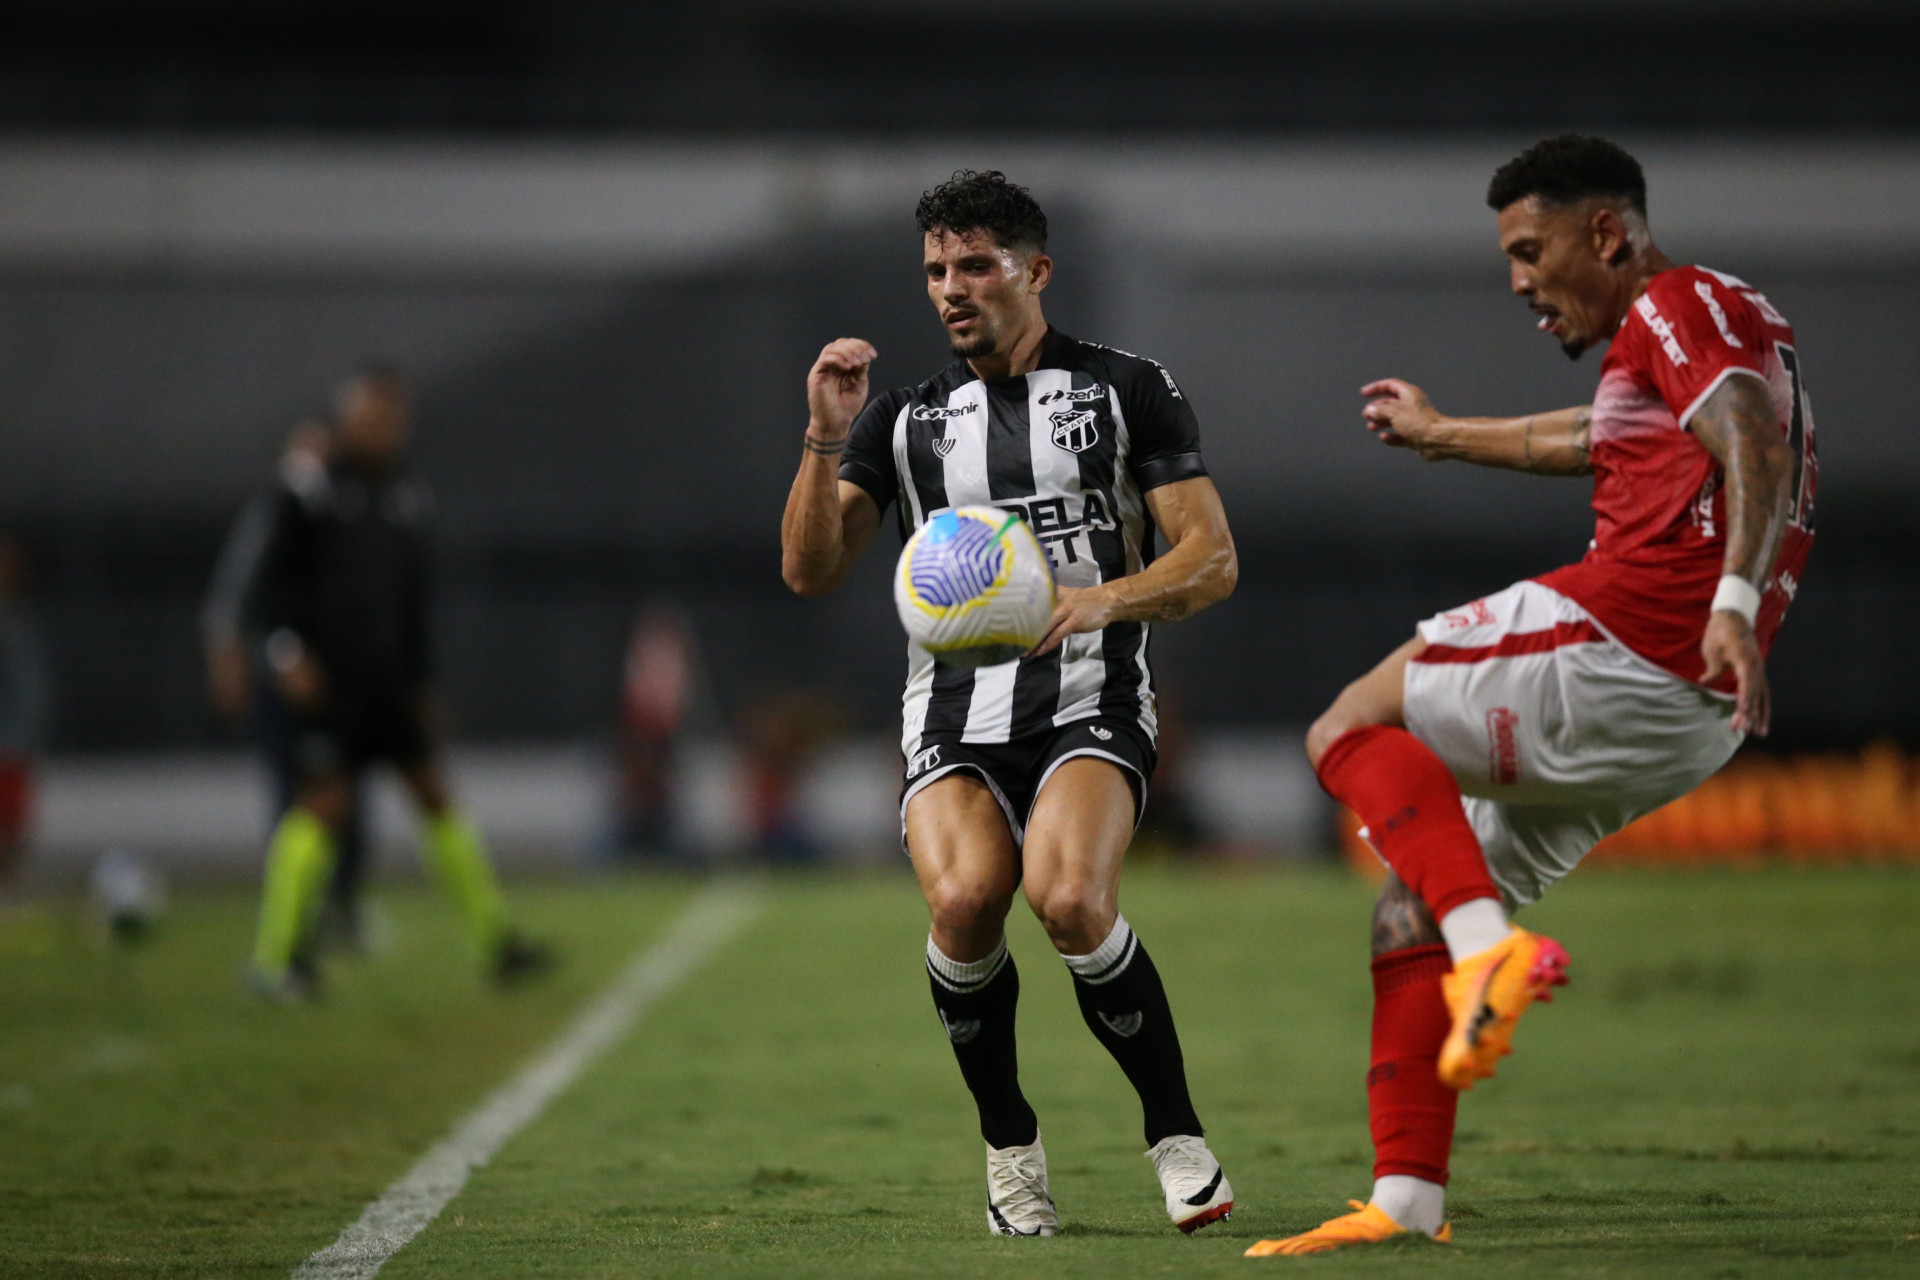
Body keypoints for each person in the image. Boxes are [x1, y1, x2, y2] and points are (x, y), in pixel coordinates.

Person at [1245, 135, 1816, 1256]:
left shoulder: (1673, 301)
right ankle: (1403, 1202)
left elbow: (1750, 433)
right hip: (1689, 718)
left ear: (1606, 232)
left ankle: (1487, 947)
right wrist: (1445, 435)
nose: (1516, 280)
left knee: (1352, 720)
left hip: (1632, 636)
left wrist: (1735, 596)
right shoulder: (1704, 320)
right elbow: (1606, 441)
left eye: (1529, 248)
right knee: (1410, 899)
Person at [781, 171, 1240, 1236]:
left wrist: (1098, 601)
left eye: (976, 265)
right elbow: (810, 568)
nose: (953, 287)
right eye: (937, 269)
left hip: (1093, 693)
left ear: (1035, 271)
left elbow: (1210, 560)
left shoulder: (1127, 388)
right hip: (951, 712)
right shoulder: (901, 420)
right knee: (963, 903)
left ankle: (1175, 1135)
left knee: (1070, 899)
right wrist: (821, 433)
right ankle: (1009, 1150)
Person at [242, 365, 549, 1000]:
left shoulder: (405, 494)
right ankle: (275, 961)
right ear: (347, 418)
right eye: (374, 416)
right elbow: (269, 585)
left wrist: (422, 683)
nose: (387, 428)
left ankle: (497, 943)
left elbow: (411, 603)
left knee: (435, 795)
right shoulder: (311, 486)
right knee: (323, 805)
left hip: (387, 685)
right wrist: (285, 651)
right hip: (330, 684)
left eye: (394, 417)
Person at [204, 422, 372, 947]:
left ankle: (338, 905)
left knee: (342, 794)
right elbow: (236, 600)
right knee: (292, 794)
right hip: (284, 680)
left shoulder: (338, 513)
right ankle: (293, 918)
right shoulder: (276, 512)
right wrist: (241, 662)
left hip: (335, 682)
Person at [0, 533, 51, 898]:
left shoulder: (18, 617)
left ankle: (8, 893)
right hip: (7, 740)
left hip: (17, 741)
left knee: (15, 826)